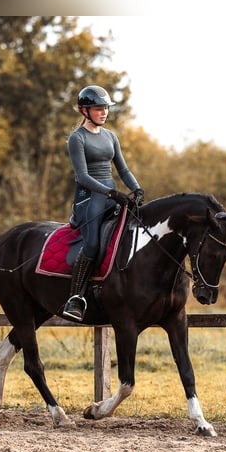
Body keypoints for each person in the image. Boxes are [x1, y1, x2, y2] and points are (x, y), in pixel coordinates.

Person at [61, 84, 144, 322]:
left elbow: (123, 169)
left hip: (110, 194)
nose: (104, 113)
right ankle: (75, 298)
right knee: (93, 245)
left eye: (106, 108)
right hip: (89, 199)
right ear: (84, 111)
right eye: (98, 109)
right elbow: (82, 177)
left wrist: (136, 188)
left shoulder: (111, 136)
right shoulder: (77, 139)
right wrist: (111, 193)